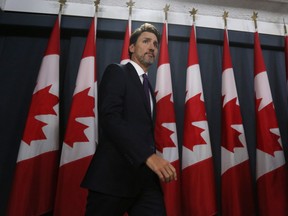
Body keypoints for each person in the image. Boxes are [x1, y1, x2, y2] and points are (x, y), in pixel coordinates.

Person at [81, 23, 177, 216]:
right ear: (132, 47)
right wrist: (148, 156)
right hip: (112, 177)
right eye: (146, 41)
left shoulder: (149, 87)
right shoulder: (117, 71)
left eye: (155, 44)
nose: (152, 47)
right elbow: (110, 118)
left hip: (144, 181)